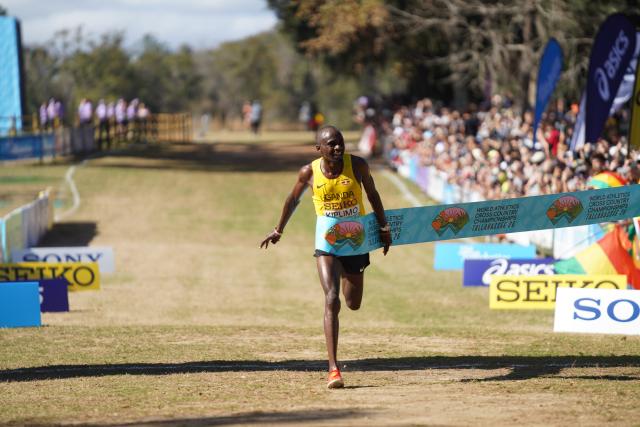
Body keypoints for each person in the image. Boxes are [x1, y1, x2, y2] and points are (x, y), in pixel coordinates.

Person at [260, 125, 392, 389]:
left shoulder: (357, 166)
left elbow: (373, 195)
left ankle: (344, 269)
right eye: (331, 144)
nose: (337, 148)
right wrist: (279, 230)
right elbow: (292, 200)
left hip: (355, 240)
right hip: (327, 242)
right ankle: (333, 369)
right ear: (318, 148)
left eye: (340, 143)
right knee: (331, 298)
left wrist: (384, 228)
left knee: (352, 303)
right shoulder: (308, 172)